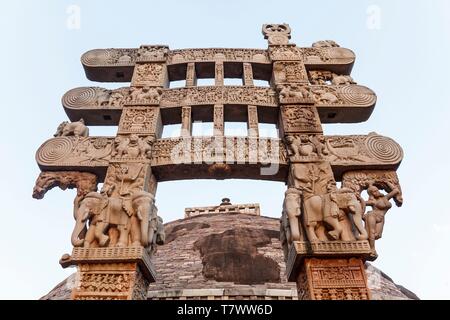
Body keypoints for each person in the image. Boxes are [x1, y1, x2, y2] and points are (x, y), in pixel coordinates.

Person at [364, 185, 401, 258]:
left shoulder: (385, 197)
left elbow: (396, 190)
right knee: (372, 232)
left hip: (381, 217)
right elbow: (362, 203)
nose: (376, 192)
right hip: (372, 216)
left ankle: (370, 245)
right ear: (371, 194)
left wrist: (387, 182)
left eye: (377, 190)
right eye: (374, 192)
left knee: (377, 235)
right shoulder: (372, 201)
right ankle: (372, 249)